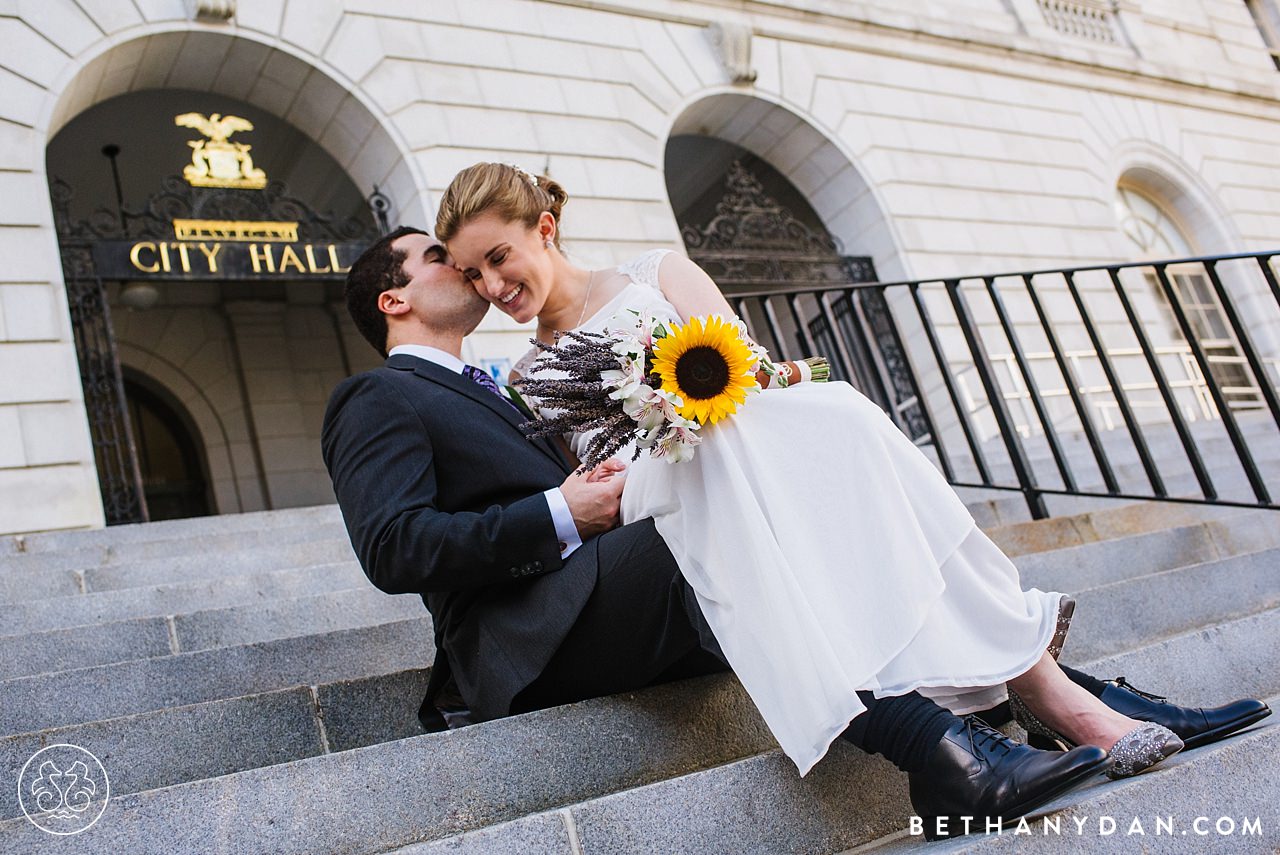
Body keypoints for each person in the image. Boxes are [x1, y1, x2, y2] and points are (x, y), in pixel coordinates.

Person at [321, 225, 1262, 840]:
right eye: (440, 257)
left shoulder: (495, 382)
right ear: (396, 297)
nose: (467, 266)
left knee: (813, 451)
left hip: (607, 589)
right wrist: (567, 508)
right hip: (522, 642)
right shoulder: (378, 395)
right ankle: (1003, 716)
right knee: (727, 501)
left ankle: (979, 734)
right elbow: (394, 547)